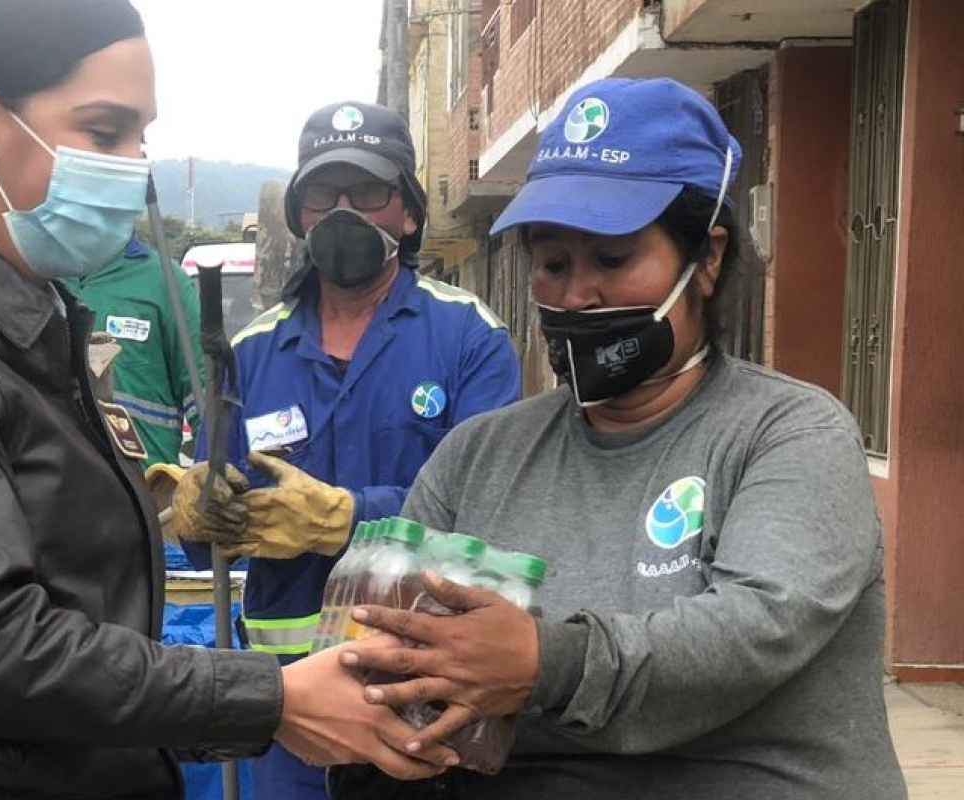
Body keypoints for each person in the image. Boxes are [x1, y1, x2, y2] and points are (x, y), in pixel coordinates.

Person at [0, 3, 459, 799]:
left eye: (141, 137)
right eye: (104, 131)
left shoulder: (30, 327)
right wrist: (270, 698)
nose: (133, 167)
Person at [330, 77, 909, 800]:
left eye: (612, 260)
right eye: (553, 264)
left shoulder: (789, 433)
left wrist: (546, 662)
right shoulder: (477, 457)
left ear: (707, 259)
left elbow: (755, 630)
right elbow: (399, 661)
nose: (577, 297)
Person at [166, 101, 522, 799]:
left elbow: (494, 514)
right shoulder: (248, 353)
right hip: (291, 709)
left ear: (408, 212)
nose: (342, 212)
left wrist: (347, 520)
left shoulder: (469, 339)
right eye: (323, 195)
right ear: (300, 216)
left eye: (367, 193)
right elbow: (213, 538)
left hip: (425, 696)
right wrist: (196, 510)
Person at [65, 234, 202, 468]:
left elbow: (209, 404)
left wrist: (215, 476)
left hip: (146, 483)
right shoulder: (39, 278)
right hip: (57, 482)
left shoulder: (165, 281)